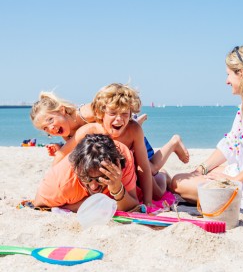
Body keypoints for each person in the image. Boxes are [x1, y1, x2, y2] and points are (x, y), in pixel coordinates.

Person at [31, 85, 189, 206]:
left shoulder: (93, 116)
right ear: (101, 114)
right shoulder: (87, 131)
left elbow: (143, 169)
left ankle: (164, 174)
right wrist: (51, 177)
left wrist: (148, 204)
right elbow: (65, 155)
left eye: (124, 115)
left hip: (132, 152)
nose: (119, 119)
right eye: (45, 128)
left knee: (156, 186)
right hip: (117, 159)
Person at [171, 43, 243, 212]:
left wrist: (234, 181)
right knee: (191, 176)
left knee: (178, 183)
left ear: (242, 73)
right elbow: (230, 144)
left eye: (229, 74)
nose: (226, 81)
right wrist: (201, 169)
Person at [34, 134, 139, 212]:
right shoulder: (61, 184)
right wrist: (83, 204)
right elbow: (38, 203)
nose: (94, 187)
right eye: (86, 178)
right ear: (76, 170)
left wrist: (117, 188)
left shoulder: (122, 160)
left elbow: (133, 206)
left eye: (100, 179)